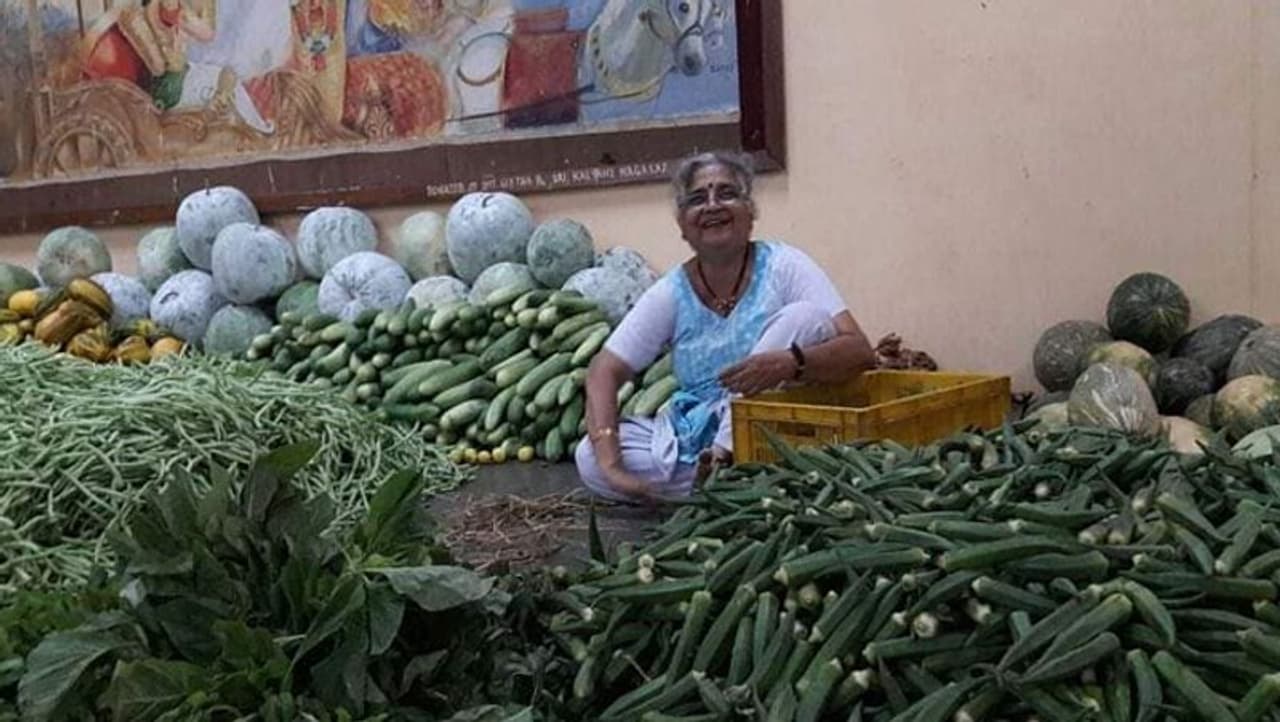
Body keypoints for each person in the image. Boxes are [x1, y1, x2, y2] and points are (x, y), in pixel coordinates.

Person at [576, 150, 877, 504]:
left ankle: (724, 463)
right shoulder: (673, 292)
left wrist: (789, 362)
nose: (712, 205)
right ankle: (730, 481)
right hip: (698, 435)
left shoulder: (784, 266)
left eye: (727, 193)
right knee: (588, 457)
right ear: (683, 225)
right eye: (697, 199)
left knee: (805, 317)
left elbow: (859, 351)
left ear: (750, 213)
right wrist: (612, 465)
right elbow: (603, 371)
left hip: (779, 428)